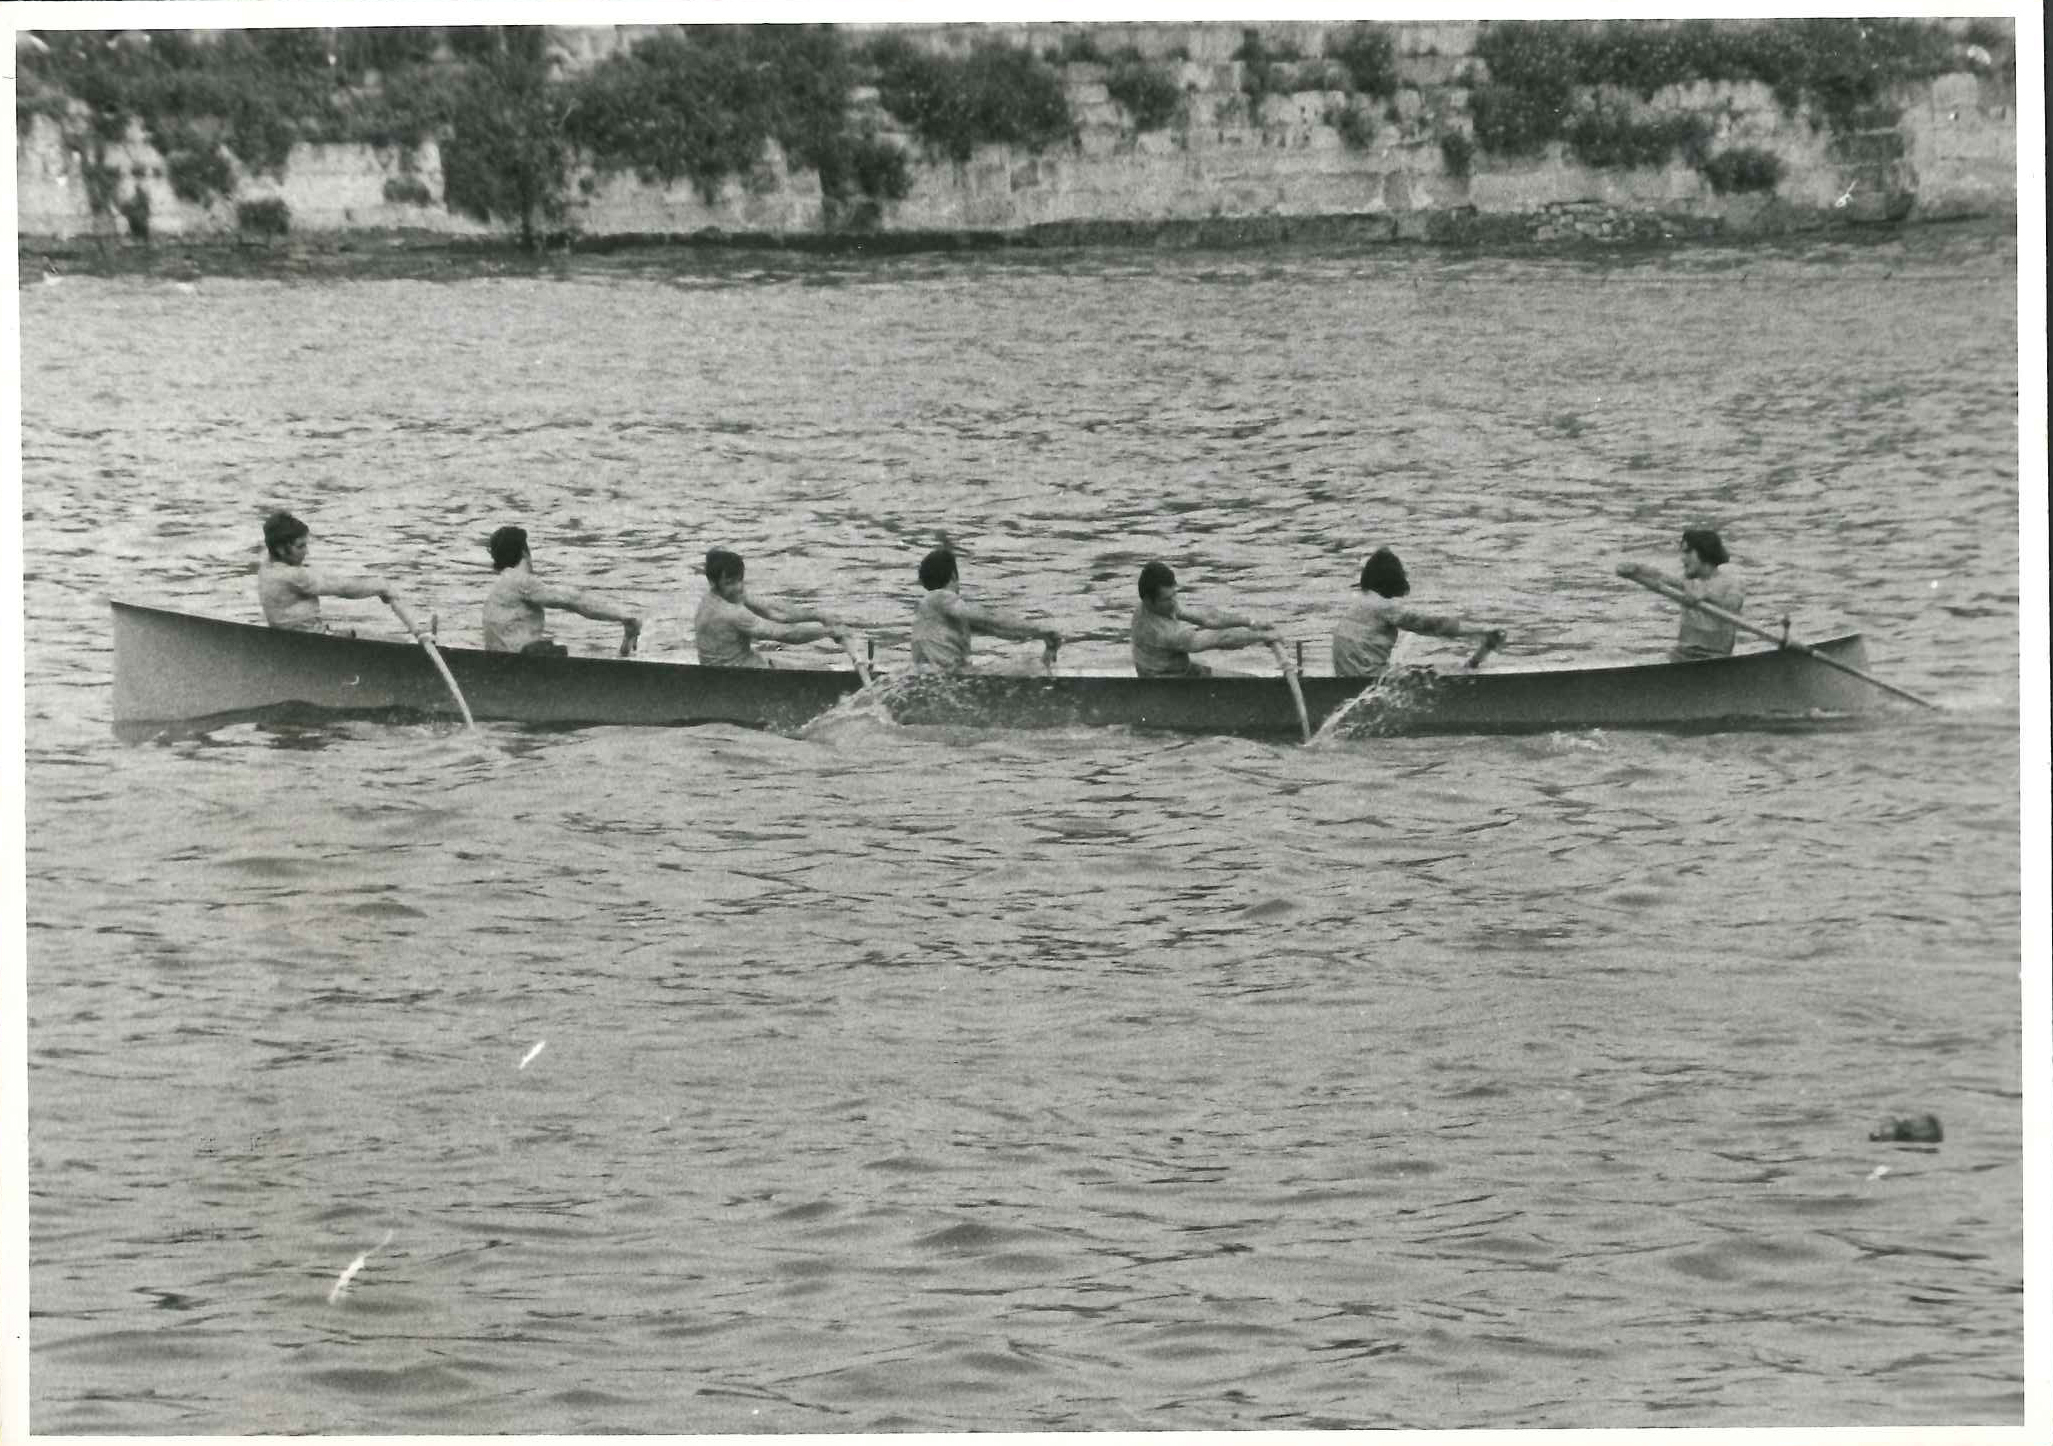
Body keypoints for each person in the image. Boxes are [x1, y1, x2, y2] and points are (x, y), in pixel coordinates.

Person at [1331, 547, 1503, 677]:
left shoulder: (1360, 601)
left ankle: (1472, 663)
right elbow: (1431, 626)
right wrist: (1480, 631)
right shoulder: (1383, 607)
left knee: (1416, 670)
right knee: (1430, 675)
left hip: (1347, 676)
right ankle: (1471, 666)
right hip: (1367, 676)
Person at [257, 510, 424, 638]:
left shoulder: (266, 569)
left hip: (294, 639)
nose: (306, 552)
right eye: (301, 546)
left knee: (361, 633)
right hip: (312, 644)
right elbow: (342, 588)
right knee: (393, 640)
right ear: (280, 549)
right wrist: (380, 586)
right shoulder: (292, 576)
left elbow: (327, 579)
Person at [482, 524, 642, 657]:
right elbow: (574, 601)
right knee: (555, 649)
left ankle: (623, 651)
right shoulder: (520, 580)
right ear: (525, 552)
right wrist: (624, 616)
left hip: (501, 664)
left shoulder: (500, 585)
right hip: (522, 666)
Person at [910, 546, 1061, 673]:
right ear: (954, 576)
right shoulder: (940, 597)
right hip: (943, 677)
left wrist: (1040, 634)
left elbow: (999, 629)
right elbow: (987, 618)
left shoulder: (932, 613)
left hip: (929, 677)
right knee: (1026, 667)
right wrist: (1041, 629)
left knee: (1025, 666)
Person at [695, 548, 854, 668]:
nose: (738, 587)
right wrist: (829, 632)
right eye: (730, 583)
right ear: (713, 582)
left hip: (731, 670)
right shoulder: (729, 613)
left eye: (740, 580)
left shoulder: (715, 596)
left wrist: (818, 615)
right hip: (741, 677)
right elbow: (784, 634)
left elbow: (774, 611)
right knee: (823, 669)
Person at [1131, 561, 1282, 678]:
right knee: (1250, 682)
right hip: (1169, 686)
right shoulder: (1166, 633)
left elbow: (1209, 617)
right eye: (1167, 599)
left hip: (1177, 670)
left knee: (1249, 678)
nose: (1173, 602)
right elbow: (1221, 639)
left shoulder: (1155, 606)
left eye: (1174, 595)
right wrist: (1262, 636)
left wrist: (1250, 622)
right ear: (1148, 600)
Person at [1617, 526, 1745, 661]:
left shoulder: (1732, 583)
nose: (1682, 559)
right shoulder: (1686, 582)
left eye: (1687, 552)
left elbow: (1733, 606)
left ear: (1705, 551)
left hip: (1717, 658)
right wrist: (1636, 569)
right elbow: (1660, 577)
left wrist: (1707, 597)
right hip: (1682, 656)